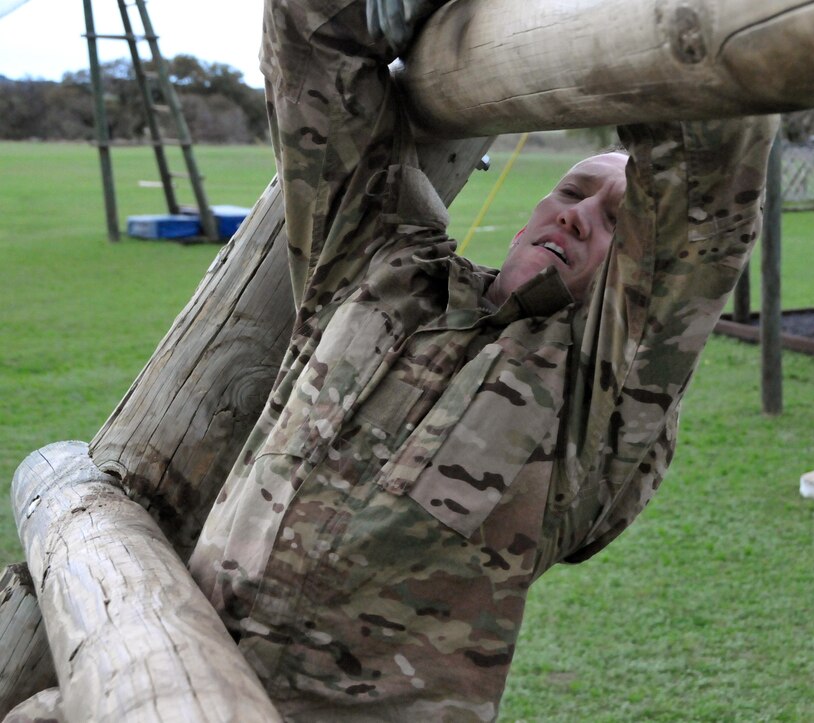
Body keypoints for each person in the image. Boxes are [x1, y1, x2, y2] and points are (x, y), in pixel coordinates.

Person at [187, 0, 777, 719]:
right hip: (167, 669)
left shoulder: (600, 402)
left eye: (617, 221)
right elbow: (309, 43)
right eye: (572, 192)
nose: (577, 215)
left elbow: (708, 156)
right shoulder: (380, 264)